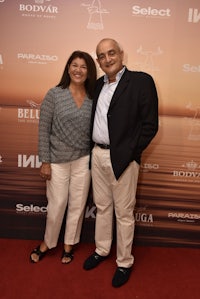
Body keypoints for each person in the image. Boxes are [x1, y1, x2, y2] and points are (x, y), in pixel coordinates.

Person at [83, 38, 158, 287]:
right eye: (101, 56)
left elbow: (150, 125)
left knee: (124, 214)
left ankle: (124, 262)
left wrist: (130, 152)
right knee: (102, 207)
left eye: (111, 53)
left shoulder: (141, 81)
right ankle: (102, 249)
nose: (107, 59)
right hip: (98, 154)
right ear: (98, 61)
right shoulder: (97, 85)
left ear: (121, 54)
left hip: (123, 158)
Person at [30, 50, 97, 264]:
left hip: (83, 160)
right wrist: (45, 161)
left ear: (89, 71)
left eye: (83, 66)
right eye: (74, 65)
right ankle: (48, 242)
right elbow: (43, 129)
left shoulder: (93, 97)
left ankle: (69, 243)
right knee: (57, 204)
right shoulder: (54, 94)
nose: (78, 70)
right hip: (57, 160)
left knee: (77, 205)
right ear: (68, 68)